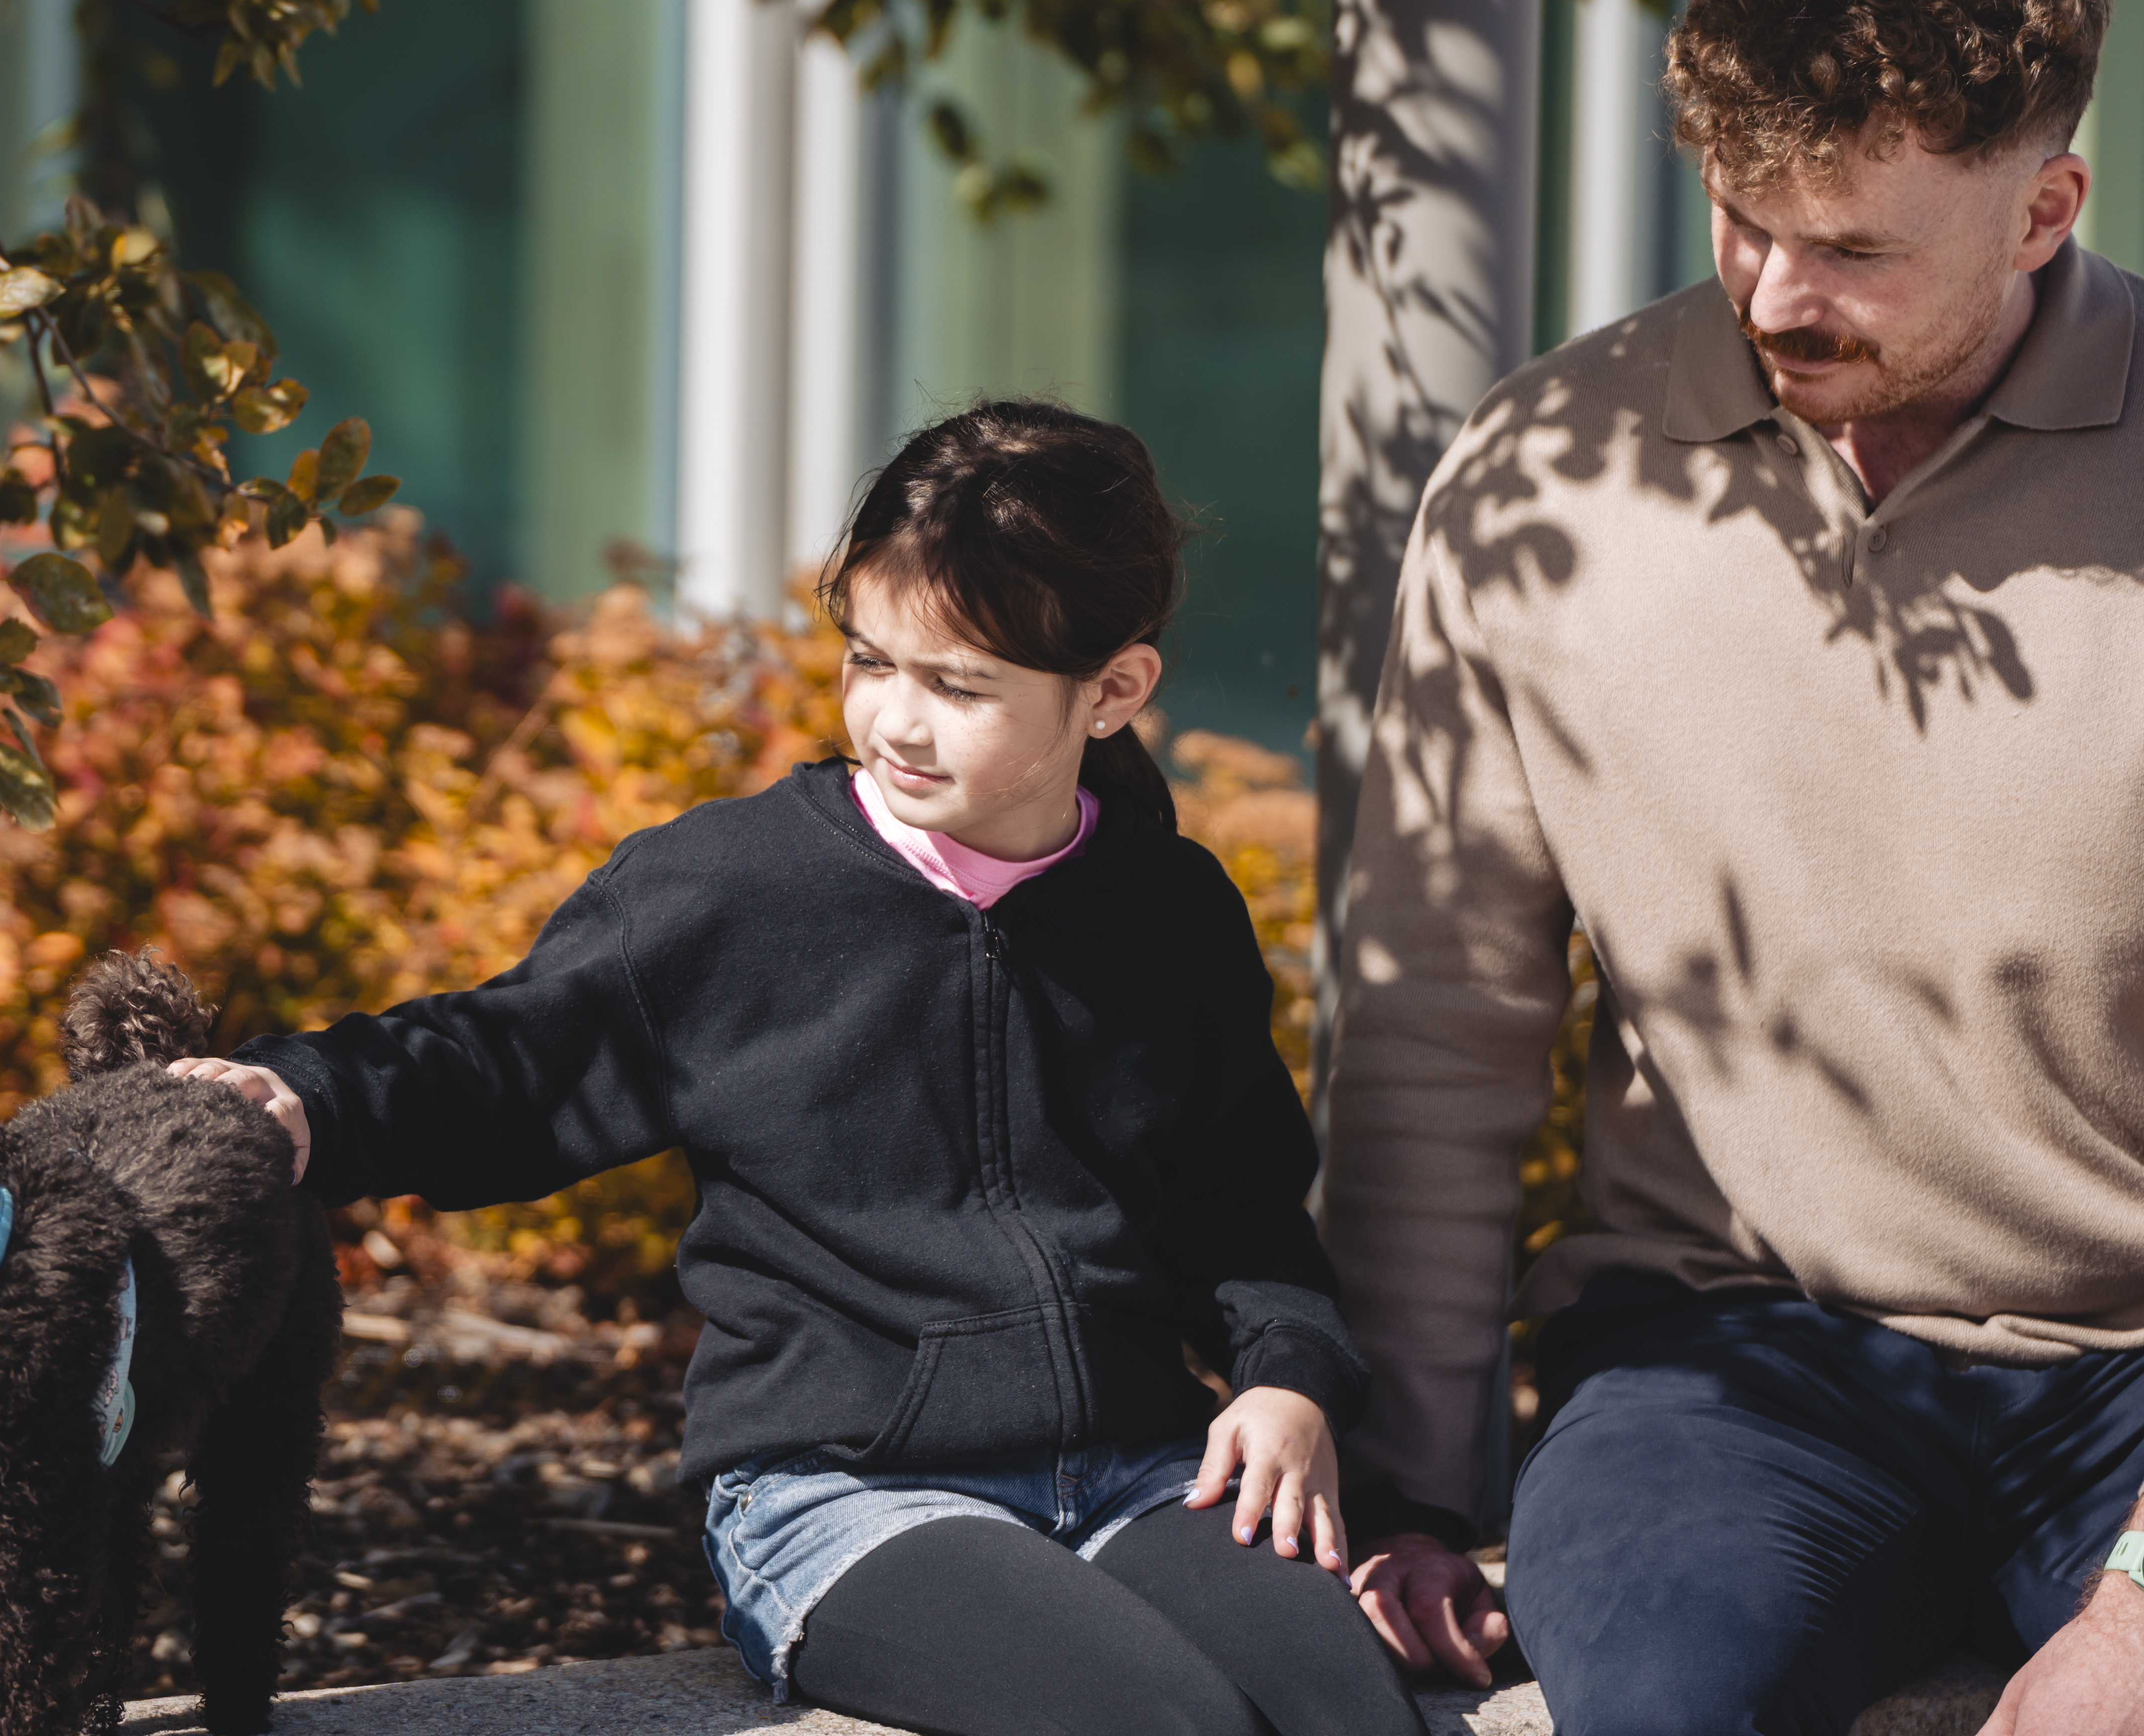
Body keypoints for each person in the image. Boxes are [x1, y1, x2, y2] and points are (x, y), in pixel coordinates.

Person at [1320, 0, 2144, 1735]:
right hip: (1733, 1349)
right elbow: (1441, 1019)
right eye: (1740, 220)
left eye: (1859, 252)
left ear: (2047, 210)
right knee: (1667, 1694)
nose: (1778, 297)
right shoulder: (1548, 477)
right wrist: (1414, 1482)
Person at [174, 401, 1423, 1736]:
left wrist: (1289, 1375)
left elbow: (1240, 1203)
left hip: (1141, 1471)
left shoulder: (1169, 909)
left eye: (959, 686)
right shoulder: (727, 889)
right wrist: (305, 1100)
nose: (896, 720)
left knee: (1355, 1714)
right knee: (1165, 1729)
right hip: (845, 1493)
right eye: (870, 661)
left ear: (1113, 690)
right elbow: (513, 1061)